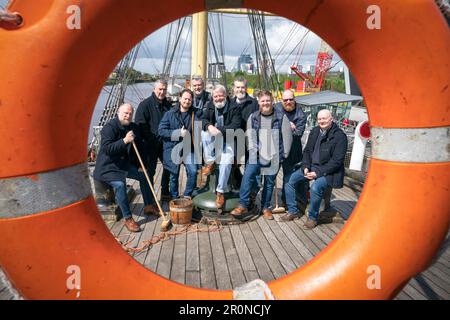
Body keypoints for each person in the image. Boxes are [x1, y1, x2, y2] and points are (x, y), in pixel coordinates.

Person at [281, 109, 348, 229]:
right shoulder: (315, 131)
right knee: (289, 180)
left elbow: (337, 162)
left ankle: (312, 218)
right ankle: (293, 211)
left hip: (328, 172)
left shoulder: (340, 136)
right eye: (319, 119)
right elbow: (307, 151)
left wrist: (317, 173)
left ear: (331, 119)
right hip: (311, 167)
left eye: (324, 118)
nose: (321, 121)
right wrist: (306, 166)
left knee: (315, 188)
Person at [231, 90, 292, 220]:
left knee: (269, 183)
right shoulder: (253, 117)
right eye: (263, 101)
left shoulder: (281, 117)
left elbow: (287, 137)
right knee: (247, 177)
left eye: (268, 100)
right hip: (256, 155)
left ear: (272, 101)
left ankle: (265, 207)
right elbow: (250, 137)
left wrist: (283, 155)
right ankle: (243, 204)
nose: (265, 103)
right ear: (259, 102)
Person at [93, 103, 155, 233]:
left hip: (123, 165)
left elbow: (139, 148)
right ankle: (128, 218)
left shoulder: (133, 128)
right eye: (125, 113)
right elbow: (107, 149)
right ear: (118, 113)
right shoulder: (109, 128)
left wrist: (139, 165)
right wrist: (124, 141)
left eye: (130, 114)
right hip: (108, 168)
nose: (128, 116)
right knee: (120, 185)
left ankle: (148, 205)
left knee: (144, 176)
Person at [200, 85, 241, 209]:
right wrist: (209, 126)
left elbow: (236, 125)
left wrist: (218, 130)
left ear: (226, 95)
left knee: (226, 162)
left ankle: (220, 192)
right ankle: (211, 161)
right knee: (204, 132)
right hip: (214, 140)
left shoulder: (235, 108)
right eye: (215, 96)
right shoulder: (210, 106)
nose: (218, 98)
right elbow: (203, 120)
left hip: (228, 140)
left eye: (220, 95)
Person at [135, 79, 172, 205]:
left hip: (164, 144)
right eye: (160, 89)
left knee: (169, 166)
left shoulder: (168, 105)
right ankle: (150, 200)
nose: (162, 92)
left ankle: (165, 192)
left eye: (164, 89)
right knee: (150, 171)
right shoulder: (144, 105)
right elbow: (140, 125)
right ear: (154, 89)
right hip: (149, 144)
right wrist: (151, 138)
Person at [158, 89, 199, 199]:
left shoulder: (196, 113)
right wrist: (178, 133)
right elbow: (161, 131)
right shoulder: (169, 114)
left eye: (189, 99)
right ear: (180, 98)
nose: (187, 101)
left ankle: (186, 195)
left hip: (188, 148)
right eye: (185, 98)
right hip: (173, 149)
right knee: (173, 176)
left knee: (193, 171)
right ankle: (175, 198)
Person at [274, 89, 307, 206]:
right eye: (285, 100)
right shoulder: (276, 108)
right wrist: (289, 126)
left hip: (292, 150)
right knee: (269, 176)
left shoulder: (301, 114)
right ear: (282, 100)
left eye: (290, 99)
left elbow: (298, 134)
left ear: (295, 99)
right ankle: (265, 204)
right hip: (276, 149)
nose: (288, 102)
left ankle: (285, 201)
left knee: (288, 178)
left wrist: (285, 128)